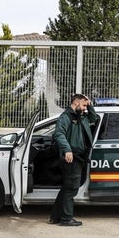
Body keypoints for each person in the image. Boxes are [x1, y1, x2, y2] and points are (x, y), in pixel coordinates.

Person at [49, 93, 99, 226]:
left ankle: (55, 217)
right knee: (71, 188)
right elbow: (58, 134)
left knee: (67, 188)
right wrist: (67, 149)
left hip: (79, 157)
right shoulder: (65, 117)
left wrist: (89, 104)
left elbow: (94, 118)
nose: (84, 108)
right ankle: (66, 218)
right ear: (76, 103)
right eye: (83, 105)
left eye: (85, 106)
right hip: (71, 157)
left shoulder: (81, 117)